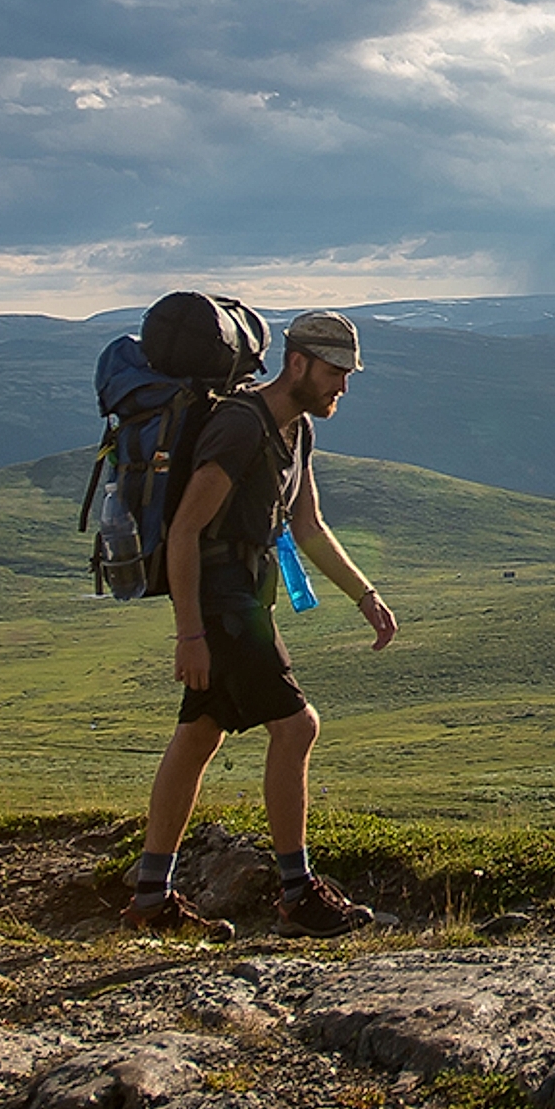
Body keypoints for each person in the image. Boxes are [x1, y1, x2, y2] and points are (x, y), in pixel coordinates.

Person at [121, 309, 399, 940]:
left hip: (246, 593)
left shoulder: (297, 431)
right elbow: (186, 530)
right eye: (335, 373)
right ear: (296, 363)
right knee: (298, 727)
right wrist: (189, 634)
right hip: (222, 600)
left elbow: (309, 528)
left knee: (198, 734)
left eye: (347, 375)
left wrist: (366, 596)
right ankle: (298, 894)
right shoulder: (241, 428)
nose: (342, 388)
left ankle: (150, 898)